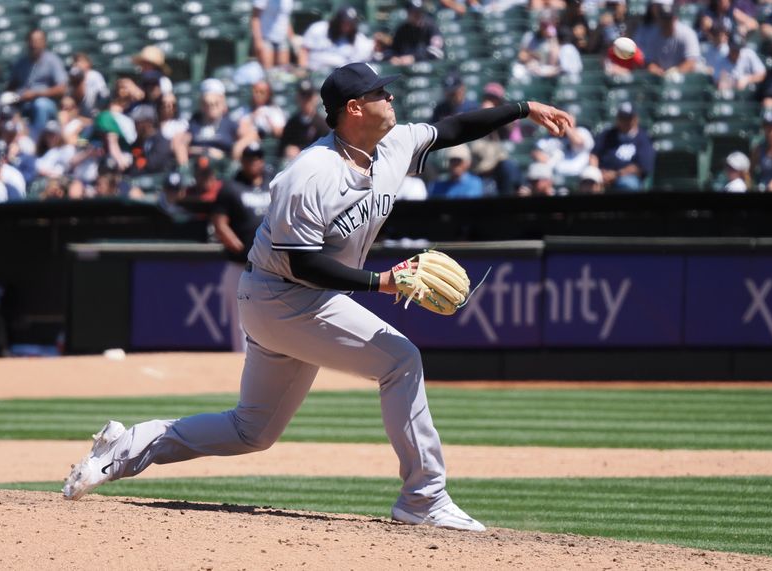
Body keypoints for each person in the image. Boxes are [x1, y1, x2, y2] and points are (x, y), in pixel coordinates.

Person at [62, 61, 573, 532]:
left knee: (251, 431)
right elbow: (302, 263)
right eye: (381, 93)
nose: (391, 98)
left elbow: (455, 128)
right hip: (282, 296)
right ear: (354, 109)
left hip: (294, 301)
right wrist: (381, 283)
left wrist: (525, 109)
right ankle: (423, 497)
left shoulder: (392, 145)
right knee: (401, 361)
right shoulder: (310, 174)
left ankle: (125, 448)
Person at [211, 142, 273, 352]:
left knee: (270, 320)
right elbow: (219, 223)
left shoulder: (272, 185)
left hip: (269, 266)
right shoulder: (231, 187)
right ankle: (239, 366)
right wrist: (239, 248)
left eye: (257, 158)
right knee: (241, 322)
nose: (253, 162)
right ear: (243, 161)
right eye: (249, 158)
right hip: (240, 266)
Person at [6, 29, 68, 139]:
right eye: (32, 41)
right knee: (5, 107)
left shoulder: (53, 61)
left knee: (40, 105)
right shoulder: (21, 63)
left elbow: (61, 89)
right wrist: (14, 96)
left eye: (38, 41)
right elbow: (10, 87)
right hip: (23, 103)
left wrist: (35, 94)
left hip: (47, 103)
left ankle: (37, 141)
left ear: (44, 42)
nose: (34, 44)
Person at [590, 102, 655, 192]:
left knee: (627, 184)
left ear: (635, 119)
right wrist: (596, 173)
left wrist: (616, 174)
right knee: (588, 182)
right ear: (617, 119)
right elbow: (594, 155)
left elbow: (641, 167)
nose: (625, 121)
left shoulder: (643, 138)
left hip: (627, 178)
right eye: (622, 118)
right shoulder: (607, 135)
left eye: (628, 118)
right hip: (603, 175)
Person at [299, 6, 374, 71]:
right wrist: (303, 69)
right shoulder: (318, 28)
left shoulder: (358, 39)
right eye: (344, 22)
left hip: (340, 77)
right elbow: (304, 50)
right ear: (336, 21)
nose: (347, 26)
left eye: (351, 23)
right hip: (315, 73)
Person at [644, 0, 701, 77]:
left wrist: (675, 72)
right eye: (663, 19)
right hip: (660, 79)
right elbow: (649, 61)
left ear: (674, 18)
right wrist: (656, 70)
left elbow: (691, 61)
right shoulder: (653, 35)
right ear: (659, 19)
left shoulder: (687, 33)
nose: (666, 22)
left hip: (685, 79)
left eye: (668, 19)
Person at [279, 80, 329, 161]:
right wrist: (287, 150)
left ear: (315, 98)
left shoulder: (322, 124)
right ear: (297, 97)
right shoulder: (292, 123)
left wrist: (301, 151)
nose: (305, 100)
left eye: (308, 96)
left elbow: (326, 151)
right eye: (303, 96)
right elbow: (281, 148)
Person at [703, 26, 766, 91]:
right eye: (734, 49)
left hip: (750, 93)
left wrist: (748, 79)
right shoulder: (721, 57)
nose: (737, 52)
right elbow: (718, 82)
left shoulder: (748, 53)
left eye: (738, 49)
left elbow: (762, 74)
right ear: (729, 47)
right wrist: (726, 82)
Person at [389, 0, 444, 66]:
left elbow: (437, 52)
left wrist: (414, 58)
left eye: (419, 12)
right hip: (406, 71)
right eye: (414, 12)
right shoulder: (402, 30)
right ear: (408, 13)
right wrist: (395, 58)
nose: (417, 15)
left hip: (428, 70)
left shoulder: (431, 27)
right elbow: (394, 50)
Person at [250, 0, 295, 70]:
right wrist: (258, 41)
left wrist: (293, 38)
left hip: (282, 38)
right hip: (265, 38)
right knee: (267, 71)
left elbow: (285, 19)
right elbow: (255, 18)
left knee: (283, 71)